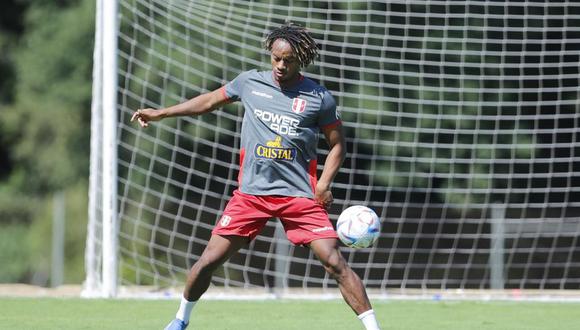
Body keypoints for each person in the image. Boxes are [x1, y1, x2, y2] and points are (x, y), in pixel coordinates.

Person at [132, 22, 381, 330]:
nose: (280, 65)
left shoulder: (319, 98)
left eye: (287, 60)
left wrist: (324, 184)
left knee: (334, 263)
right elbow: (208, 102)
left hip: (299, 195)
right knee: (209, 261)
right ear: (270, 54)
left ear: (300, 59)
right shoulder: (250, 82)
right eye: (276, 58)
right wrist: (162, 113)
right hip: (251, 194)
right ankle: (180, 319)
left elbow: (337, 145)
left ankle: (374, 328)